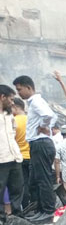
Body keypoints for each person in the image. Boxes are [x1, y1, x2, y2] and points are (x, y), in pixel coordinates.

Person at [13, 76, 57, 221]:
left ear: (29, 87)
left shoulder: (36, 101)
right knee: (35, 179)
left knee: (43, 179)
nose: (19, 93)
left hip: (41, 143)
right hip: (38, 144)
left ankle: (48, 210)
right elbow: (54, 116)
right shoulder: (34, 102)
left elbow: (49, 115)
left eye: (20, 89)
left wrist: (43, 126)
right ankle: (40, 209)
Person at [0, 86, 25, 216]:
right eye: (11, 99)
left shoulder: (9, 115)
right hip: (1, 159)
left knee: (17, 188)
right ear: (2, 97)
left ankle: (17, 216)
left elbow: (13, 134)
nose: (12, 102)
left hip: (15, 157)